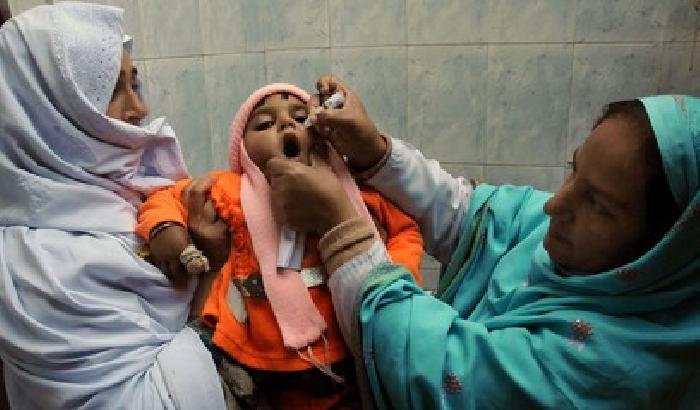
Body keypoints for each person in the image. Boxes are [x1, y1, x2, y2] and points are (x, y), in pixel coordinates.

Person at [265, 75, 700, 409]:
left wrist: (339, 226)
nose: (555, 205)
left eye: (599, 206)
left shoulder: (610, 372)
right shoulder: (555, 229)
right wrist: (374, 152)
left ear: (667, 250)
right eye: (574, 169)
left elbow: (439, 371)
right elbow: (470, 215)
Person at [136, 83, 424, 409]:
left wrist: (393, 276)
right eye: (264, 124)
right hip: (256, 359)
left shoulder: (351, 194)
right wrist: (165, 227)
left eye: (300, 118)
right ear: (243, 150)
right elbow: (167, 197)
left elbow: (405, 230)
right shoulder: (232, 190)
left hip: (347, 350)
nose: (286, 124)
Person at [0, 3, 230, 409]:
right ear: (50, 114)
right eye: (111, 91)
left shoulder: (121, 193)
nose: (139, 109)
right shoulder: (44, 265)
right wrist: (213, 266)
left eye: (134, 84)